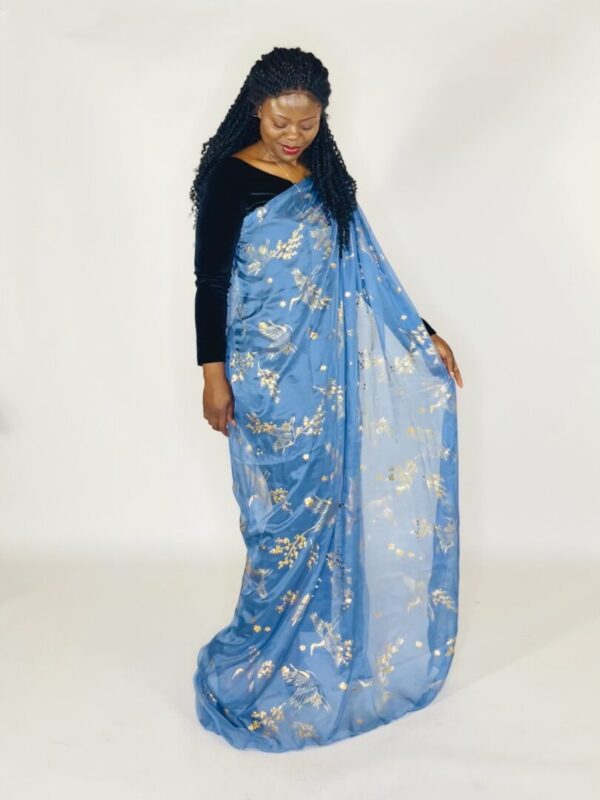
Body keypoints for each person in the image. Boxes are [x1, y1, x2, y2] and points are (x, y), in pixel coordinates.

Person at [190, 46, 463, 753]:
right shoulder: (230, 180)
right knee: (279, 525)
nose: (293, 136)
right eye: (283, 120)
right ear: (257, 106)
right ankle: (257, 660)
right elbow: (211, 284)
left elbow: (367, 268)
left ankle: (319, 658)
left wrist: (422, 333)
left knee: (330, 507)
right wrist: (212, 373)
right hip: (264, 373)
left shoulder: (323, 179)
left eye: (308, 124)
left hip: (327, 372)